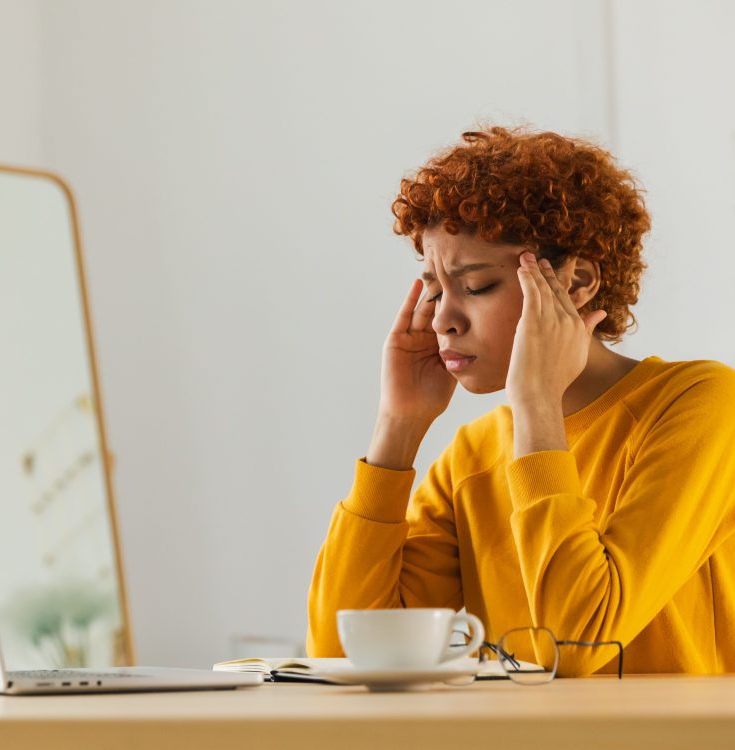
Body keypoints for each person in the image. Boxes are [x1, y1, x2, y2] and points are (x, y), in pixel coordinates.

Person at [306, 125, 735, 675]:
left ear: (576, 282)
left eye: (476, 286)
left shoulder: (699, 406)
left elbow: (580, 644)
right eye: (434, 289)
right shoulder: (472, 456)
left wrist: (537, 404)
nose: (442, 319)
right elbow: (347, 656)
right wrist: (398, 426)